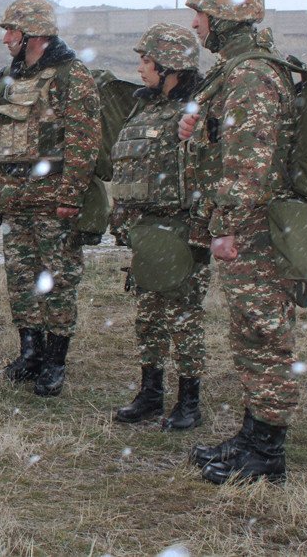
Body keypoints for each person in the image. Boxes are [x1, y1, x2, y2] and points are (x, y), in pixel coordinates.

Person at [178, 0, 298, 484]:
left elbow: (249, 163)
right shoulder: (236, 71)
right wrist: (199, 126)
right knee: (250, 333)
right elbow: (229, 142)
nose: (195, 25)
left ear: (222, 19)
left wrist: (225, 227)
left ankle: (267, 455)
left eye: (199, 16)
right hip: (250, 225)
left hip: (254, 229)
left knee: (265, 336)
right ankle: (252, 438)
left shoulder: (249, 74)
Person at [0, 0, 100, 397]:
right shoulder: (9, 77)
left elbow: (85, 141)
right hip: (14, 198)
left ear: (35, 35)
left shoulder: (70, 75)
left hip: (52, 197)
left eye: (12, 30)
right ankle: (30, 353)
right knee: (22, 278)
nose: (6, 38)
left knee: (58, 281)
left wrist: (71, 196)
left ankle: (55, 362)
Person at [109, 23, 210, 431]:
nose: (140, 69)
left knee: (184, 316)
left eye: (147, 61)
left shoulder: (200, 109)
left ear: (171, 66)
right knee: (148, 316)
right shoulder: (145, 109)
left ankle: (189, 402)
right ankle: (150, 393)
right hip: (147, 229)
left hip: (183, 228)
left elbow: (210, 171)